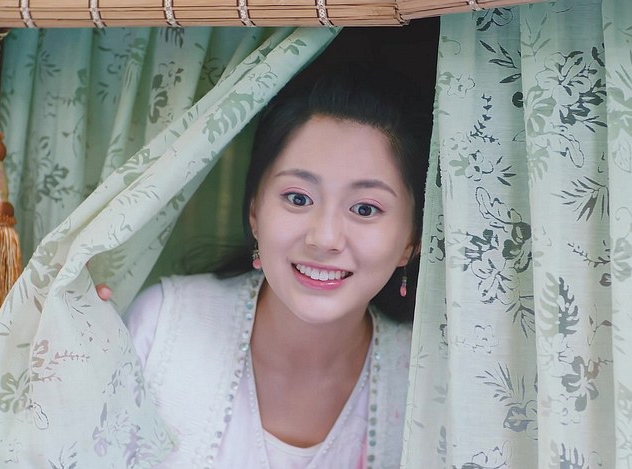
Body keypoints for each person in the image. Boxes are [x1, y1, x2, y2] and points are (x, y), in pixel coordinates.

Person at [114, 64, 431, 468]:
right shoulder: (162, 329)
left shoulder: (427, 382)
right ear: (254, 212)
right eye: (298, 198)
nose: (324, 238)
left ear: (411, 242)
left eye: (365, 209)